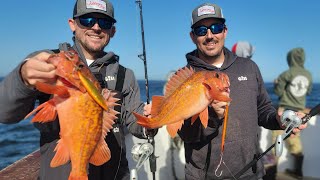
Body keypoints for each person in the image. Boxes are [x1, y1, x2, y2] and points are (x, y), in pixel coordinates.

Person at [0, 0, 152, 179]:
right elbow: (4, 113)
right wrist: (22, 78)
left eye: (104, 22)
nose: (96, 27)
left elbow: (132, 120)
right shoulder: (47, 61)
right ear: (72, 24)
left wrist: (149, 123)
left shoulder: (125, 75)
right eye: (87, 20)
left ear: (113, 31)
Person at [177, 3, 307, 180]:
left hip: (250, 171)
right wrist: (214, 116)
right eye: (201, 30)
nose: (210, 35)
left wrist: (279, 120)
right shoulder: (185, 78)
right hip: (203, 176)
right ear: (193, 36)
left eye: (216, 28)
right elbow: (186, 134)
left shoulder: (249, 67)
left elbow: (263, 110)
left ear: (225, 31)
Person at [272, 47, 312, 179]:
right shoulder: (309, 75)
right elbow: (309, 91)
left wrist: (276, 84)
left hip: (284, 111)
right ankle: (298, 172)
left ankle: (271, 173)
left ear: (290, 59)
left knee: (276, 140)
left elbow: (278, 92)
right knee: (295, 141)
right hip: (299, 113)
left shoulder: (286, 74)